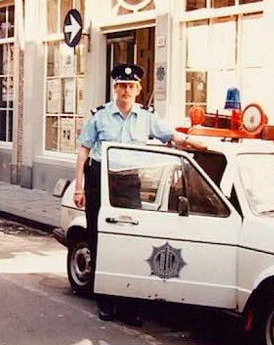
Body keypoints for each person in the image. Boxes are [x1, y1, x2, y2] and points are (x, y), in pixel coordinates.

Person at [74, 63, 206, 325]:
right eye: (121, 86)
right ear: (115, 88)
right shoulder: (99, 116)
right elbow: (83, 151)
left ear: (138, 89)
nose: (126, 90)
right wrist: (79, 187)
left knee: (131, 240)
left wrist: (195, 143)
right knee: (100, 238)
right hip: (100, 180)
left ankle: (129, 305)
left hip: (129, 182)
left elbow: (171, 135)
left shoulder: (146, 117)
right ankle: (106, 301)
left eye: (131, 86)